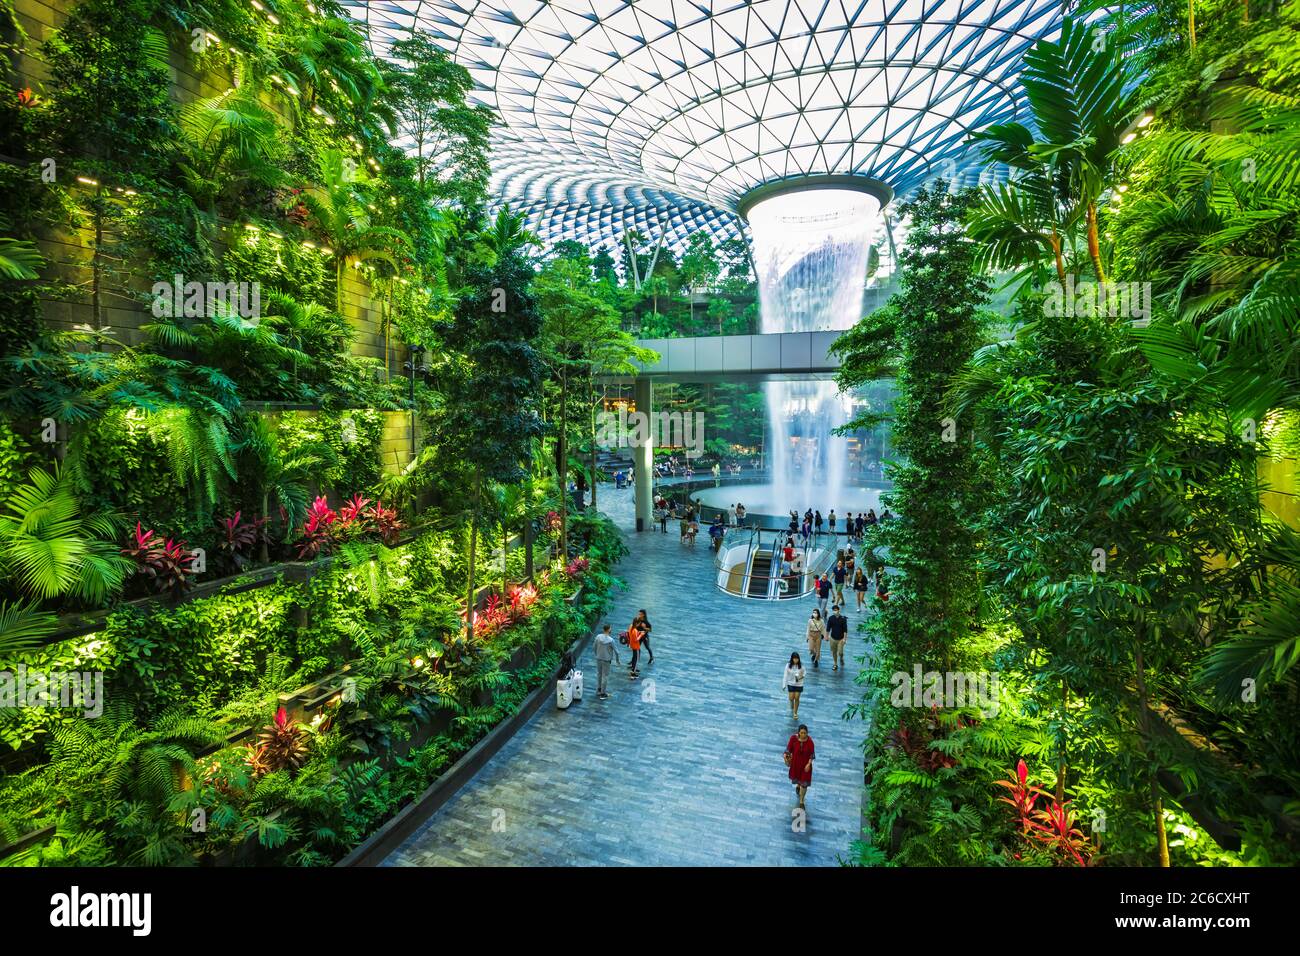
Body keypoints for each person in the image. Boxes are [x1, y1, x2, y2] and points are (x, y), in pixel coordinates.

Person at [785, 724, 815, 810]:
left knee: (804, 784)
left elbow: (812, 755)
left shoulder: (810, 742)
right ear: (798, 733)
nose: (803, 735)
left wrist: (809, 764)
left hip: (806, 767)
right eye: (801, 733)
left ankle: (801, 801)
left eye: (805, 733)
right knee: (799, 779)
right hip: (796, 764)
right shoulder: (793, 739)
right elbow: (788, 750)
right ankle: (798, 786)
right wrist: (785, 757)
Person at [593, 624, 621, 699]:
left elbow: (594, 647)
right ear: (609, 630)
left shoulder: (598, 637)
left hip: (598, 658)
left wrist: (597, 654)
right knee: (605, 676)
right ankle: (603, 693)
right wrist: (617, 661)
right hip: (606, 660)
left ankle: (599, 690)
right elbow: (617, 652)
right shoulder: (611, 640)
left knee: (599, 674)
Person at [783, 652, 806, 719]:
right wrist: (784, 685)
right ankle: (791, 703)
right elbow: (785, 675)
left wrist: (801, 677)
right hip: (790, 683)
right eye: (794, 659)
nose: (796, 660)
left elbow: (804, 673)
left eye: (797, 659)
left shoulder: (801, 666)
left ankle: (795, 713)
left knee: (797, 698)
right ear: (792, 659)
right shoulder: (788, 665)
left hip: (799, 684)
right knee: (791, 698)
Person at [826, 605, 849, 671]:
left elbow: (845, 630)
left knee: (840, 652)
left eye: (836, 610)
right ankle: (835, 664)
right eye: (833, 610)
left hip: (840, 639)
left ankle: (841, 658)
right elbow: (828, 628)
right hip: (832, 638)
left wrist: (845, 639)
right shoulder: (831, 618)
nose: (835, 611)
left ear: (839, 610)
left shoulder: (843, 619)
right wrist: (826, 636)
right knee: (834, 652)